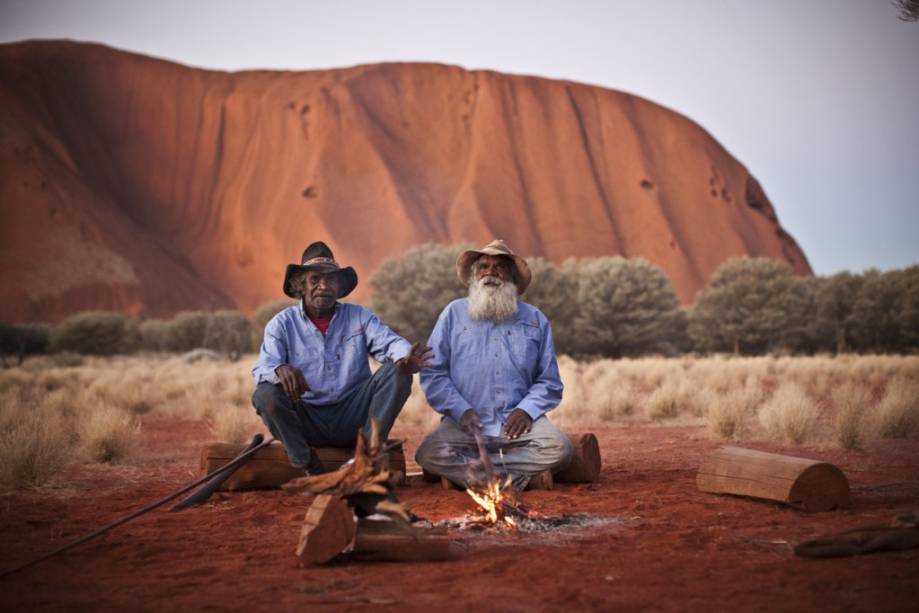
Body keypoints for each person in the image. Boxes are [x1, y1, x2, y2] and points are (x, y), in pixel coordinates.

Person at [252, 241, 430, 474]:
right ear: (301, 286)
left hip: (353, 418)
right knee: (265, 394)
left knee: (398, 372)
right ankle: (306, 464)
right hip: (308, 420)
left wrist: (405, 356)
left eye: (331, 279)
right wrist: (278, 370)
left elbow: (389, 343)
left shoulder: (359, 316)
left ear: (339, 286)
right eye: (315, 279)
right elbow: (263, 368)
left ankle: (366, 457)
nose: (323, 286)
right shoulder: (282, 324)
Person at [416, 239, 574, 489]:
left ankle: (479, 475)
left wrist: (526, 411)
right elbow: (434, 372)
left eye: (499, 267)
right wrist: (460, 410)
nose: (490, 272)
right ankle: (518, 477)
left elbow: (548, 380)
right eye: (483, 266)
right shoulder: (453, 314)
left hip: (519, 427)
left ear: (511, 276)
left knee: (561, 449)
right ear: (473, 276)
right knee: (427, 453)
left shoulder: (534, 319)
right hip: (466, 424)